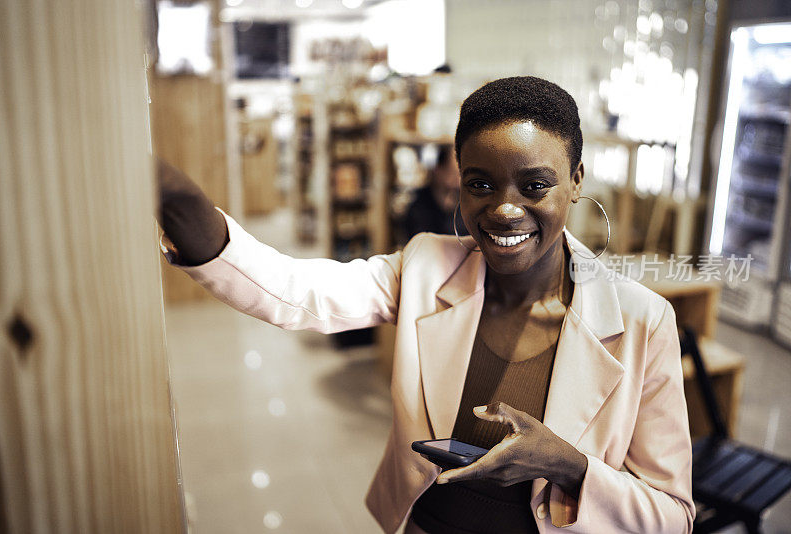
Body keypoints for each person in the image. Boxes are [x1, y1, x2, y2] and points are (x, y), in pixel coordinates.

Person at [157, 76, 695, 533]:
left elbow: (674, 515)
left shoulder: (642, 322)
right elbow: (292, 290)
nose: (505, 210)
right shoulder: (426, 267)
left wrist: (569, 466)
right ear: (456, 186)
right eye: (480, 184)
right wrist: (177, 198)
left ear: (576, 180)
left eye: (534, 186)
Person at [403, 145, 466, 240]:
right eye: (454, 173)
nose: (458, 180)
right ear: (438, 170)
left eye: (461, 174)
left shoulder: (464, 201)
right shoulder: (419, 206)